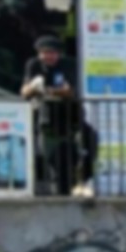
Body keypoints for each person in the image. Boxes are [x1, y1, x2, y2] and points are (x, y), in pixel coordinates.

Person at [21, 35, 97, 197]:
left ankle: (82, 180)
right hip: (48, 122)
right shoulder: (33, 65)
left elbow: (69, 91)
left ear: (59, 54)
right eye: (45, 53)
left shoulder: (68, 65)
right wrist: (35, 88)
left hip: (72, 119)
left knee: (91, 143)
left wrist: (44, 90)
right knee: (55, 163)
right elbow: (25, 92)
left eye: (53, 53)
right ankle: (61, 193)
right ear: (39, 53)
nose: (49, 56)